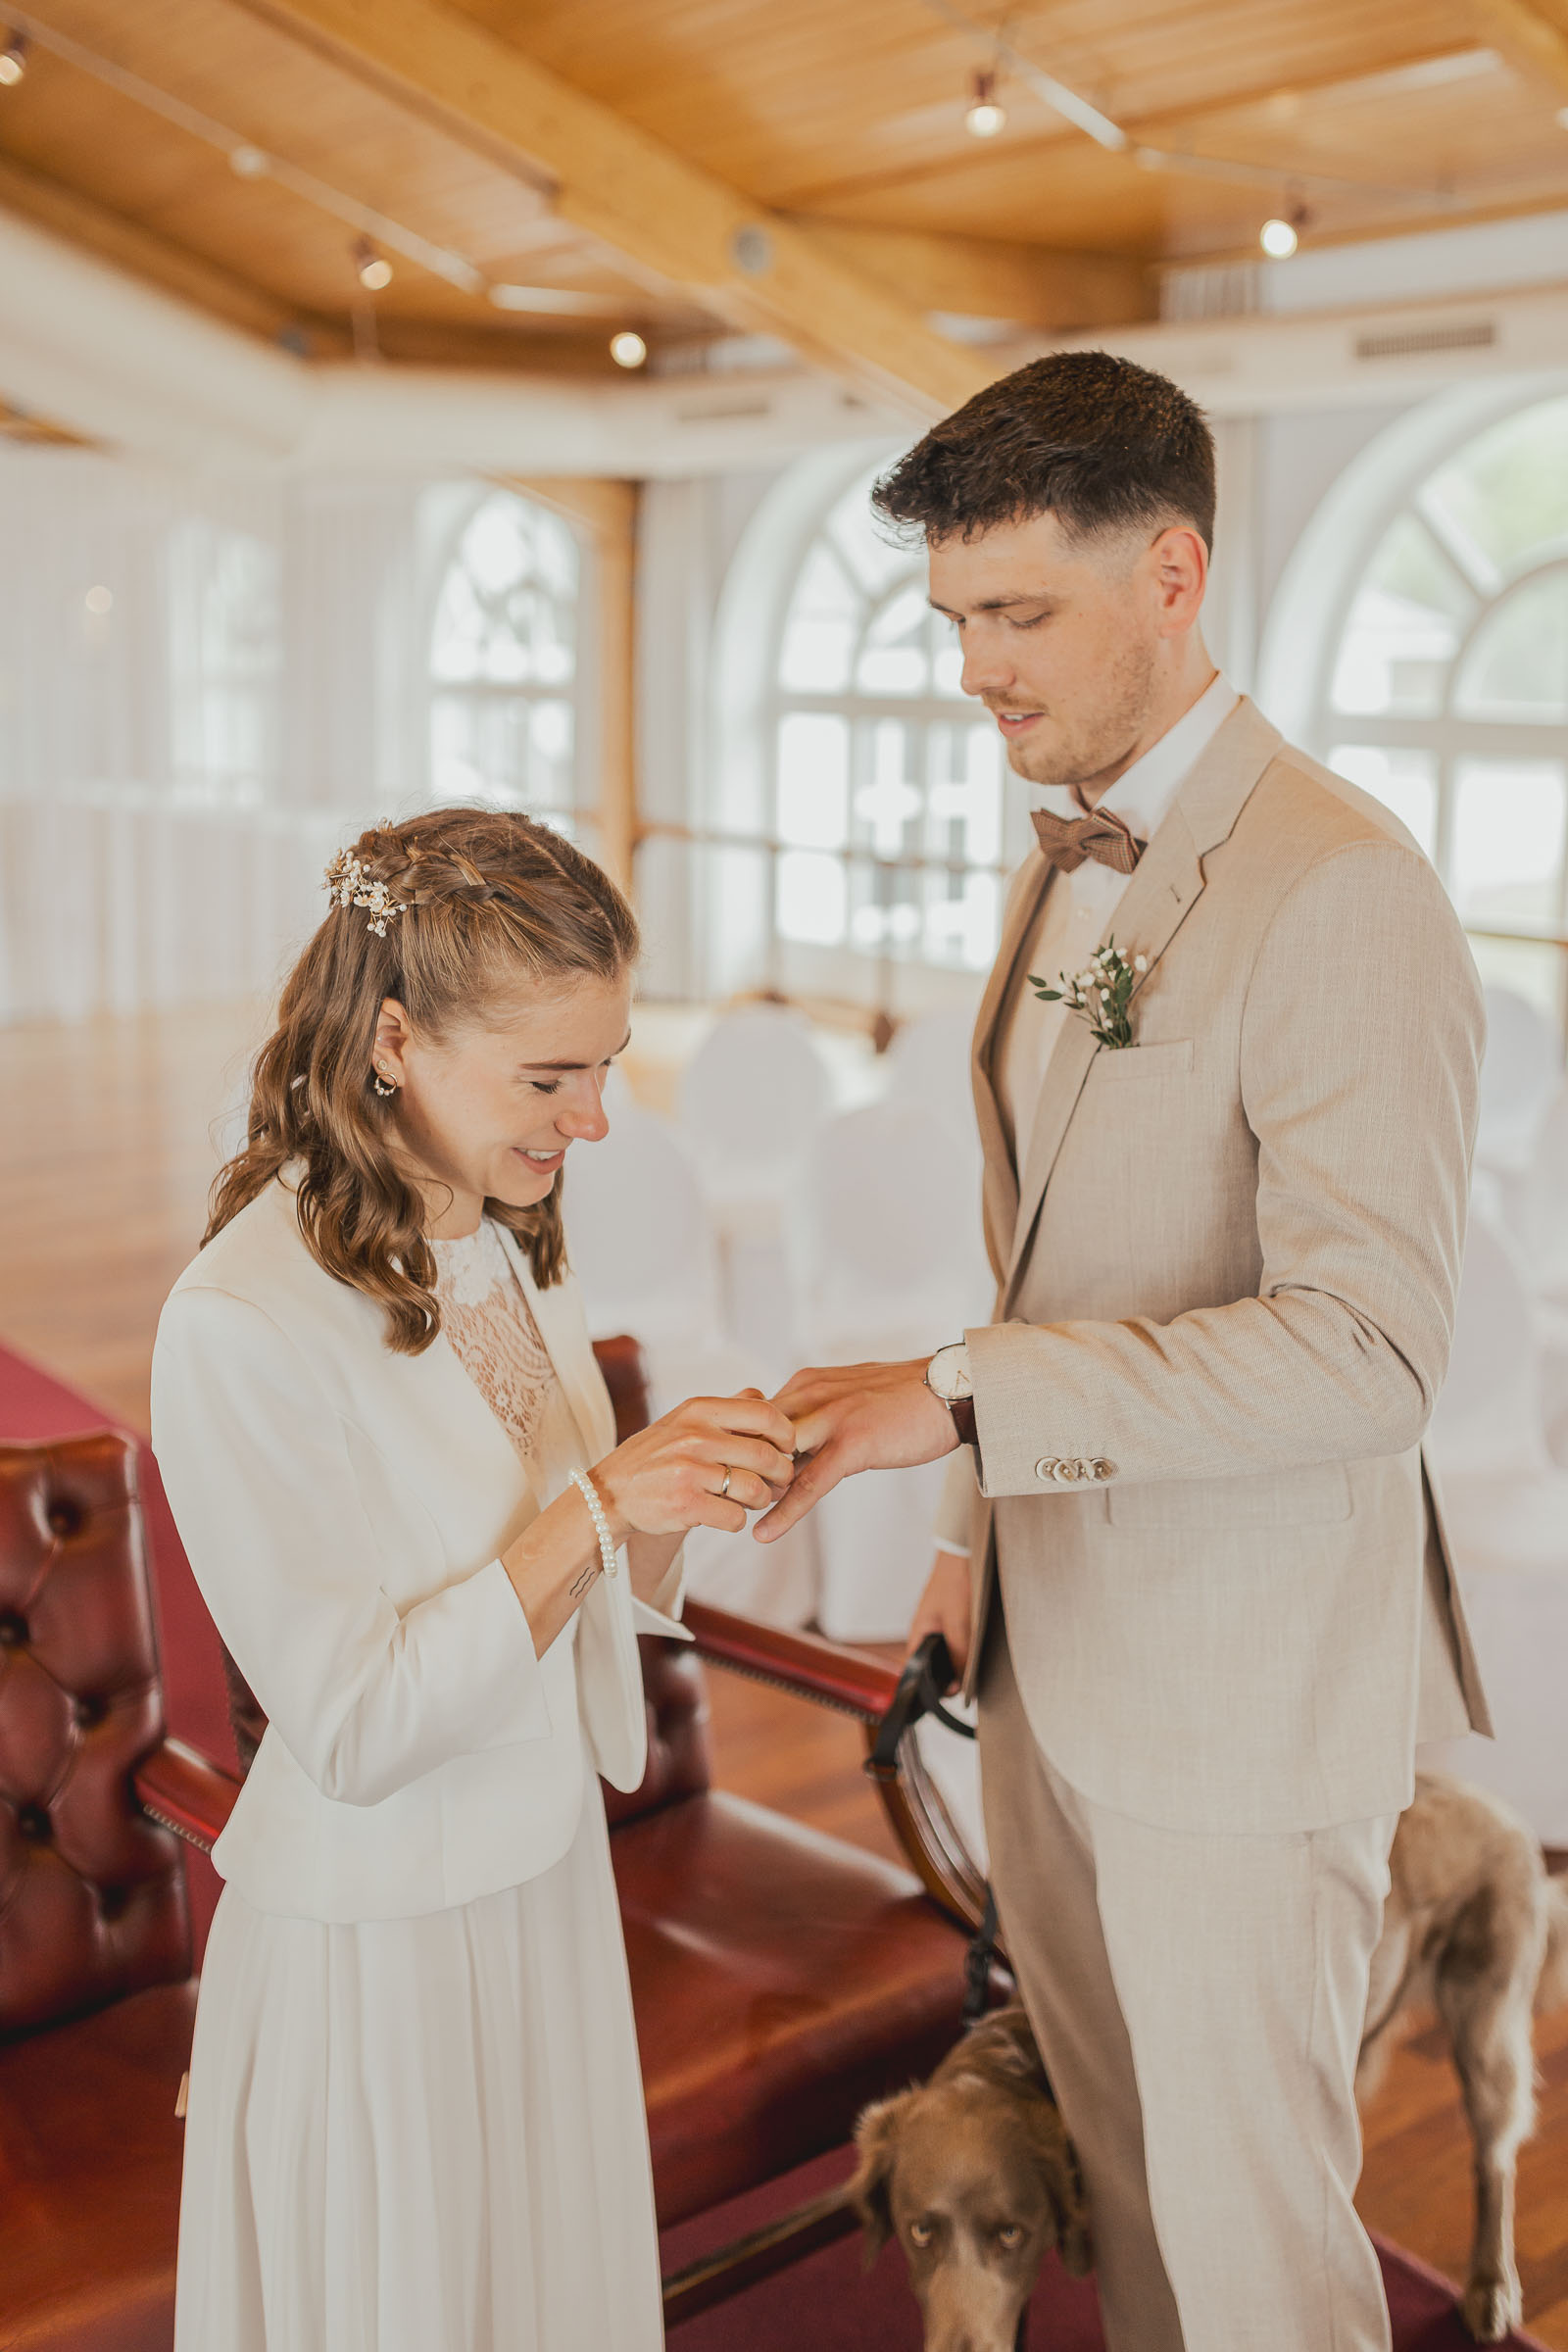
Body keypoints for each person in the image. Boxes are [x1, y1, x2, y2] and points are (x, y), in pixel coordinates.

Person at [755, 351, 1492, 2352]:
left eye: (1017, 616)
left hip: (1237, 1705)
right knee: (1135, 2201)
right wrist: (957, 1549)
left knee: (1259, 2264)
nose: (973, 670)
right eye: (950, 622)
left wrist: (964, 1399)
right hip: (1047, 1657)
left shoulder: (1341, 891)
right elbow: (1055, 1272)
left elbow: (1364, 1353)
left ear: (1168, 574)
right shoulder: (1060, 840)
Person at [152, 807, 798, 2352]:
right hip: (382, 1949)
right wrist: (596, 1503)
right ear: (392, 1040)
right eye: (551, 1078)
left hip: (543, 1888)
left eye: (608, 1063)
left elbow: (582, 1586)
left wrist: (689, 1489)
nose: (596, 1123)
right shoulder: (239, 1322)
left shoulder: (498, 1232)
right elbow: (356, 1729)